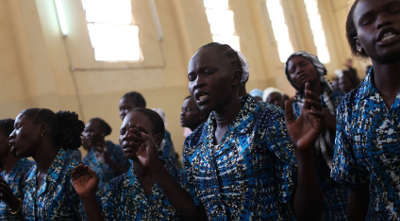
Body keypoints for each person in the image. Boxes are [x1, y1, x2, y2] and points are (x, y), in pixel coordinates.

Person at [182, 42, 323, 220]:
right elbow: (196, 211)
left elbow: (306, 211)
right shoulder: (194, 142)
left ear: (235, 77)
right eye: (191, 77)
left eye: (208, 72)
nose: (197, 83)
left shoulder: (269, 121)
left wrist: (303, 153)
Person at [331, 0, 400, 220]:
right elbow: (357, 189)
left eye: (394, 10)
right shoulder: (350, 108)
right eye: (368, 20)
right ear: (358, 43)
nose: (383, 20)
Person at [72, 108, 192, 220]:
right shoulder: (115, 189)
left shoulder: (180, 179)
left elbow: (195, 216)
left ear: (157, 138)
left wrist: (155, 167)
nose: (128, 136)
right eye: (123, 132)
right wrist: (88, 198)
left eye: (138, 130)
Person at [285, 51, 348, 220]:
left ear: (316, 66)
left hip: (354, 181)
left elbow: (361, 136)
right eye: (293, 70)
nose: (298, 70)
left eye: (303, 64)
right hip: (322, 189)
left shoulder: (344, 97)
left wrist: (332, 122)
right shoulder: (293, 113)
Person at [4, 108, 84, 220]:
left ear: (42, 129)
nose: (11, 136)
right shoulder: (30, 176)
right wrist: (12, 203)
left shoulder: (74, 174)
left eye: (18, 127)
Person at [119, 91, 180, 169]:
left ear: (141, 107)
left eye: (127, 108)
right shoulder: (125, 136)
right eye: (121, 109)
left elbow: (169, 160)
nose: (123, 112)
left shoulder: (161, 133)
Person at [0, 119, 33, 220]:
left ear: (10, 138)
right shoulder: (4, 173)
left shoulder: (29, 171)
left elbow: (34, 215)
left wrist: (12, 202)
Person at [82, 118, 129, 188]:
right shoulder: (86, 160)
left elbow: (128, 173)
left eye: (91, 131)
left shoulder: (118, 150)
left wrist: (109, 162)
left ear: (102, 132)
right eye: (86, 131)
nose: (87, 134)